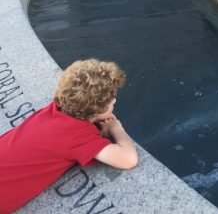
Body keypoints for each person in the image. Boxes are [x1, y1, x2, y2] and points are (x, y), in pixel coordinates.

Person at [0, 59, 138, 213]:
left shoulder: (54, 109)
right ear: (96, 111)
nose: (115, 101)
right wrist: (115, 128)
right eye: (112, 101)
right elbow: (128, 159)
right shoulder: (77, 136)